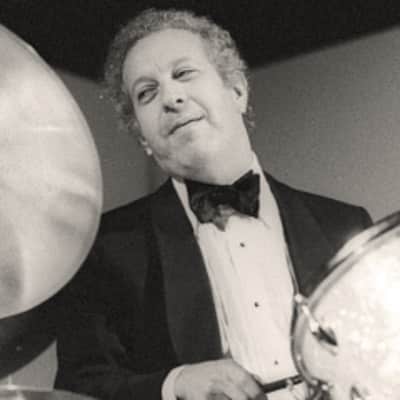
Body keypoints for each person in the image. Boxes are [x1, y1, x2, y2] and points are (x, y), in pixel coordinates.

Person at [53, 8, 372, 400]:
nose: (171, 98)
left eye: (184, 73)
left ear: (237, 91)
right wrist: (175, 383)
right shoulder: (105, 246)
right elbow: (79, 388)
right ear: (143, 137)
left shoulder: (345, 225)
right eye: (146, 92)